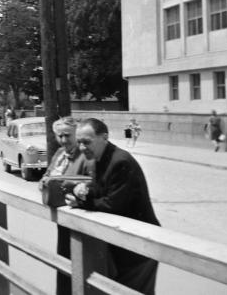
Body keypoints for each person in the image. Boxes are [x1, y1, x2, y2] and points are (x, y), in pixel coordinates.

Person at [66, 118, 160, 295]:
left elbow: (112, 204)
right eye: (79, 142)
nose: (82, 147)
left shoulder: (120, 161)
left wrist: (81, 202)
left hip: (140, 248)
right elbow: (102, 190)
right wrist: (83, 190)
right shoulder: (100, 158)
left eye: (87, 142)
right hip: (125, 244)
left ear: (104, 137)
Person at [39, 117, 93, 295]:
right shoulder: (60, 154)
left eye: (67, 135)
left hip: (80, 219)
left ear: (77, 134)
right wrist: (43, 182)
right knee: (64, 264)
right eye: (59, 136)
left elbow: (91, 184)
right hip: (62, 218)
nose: (63, 140)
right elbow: (47, 175)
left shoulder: (86, 155)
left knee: (82, 267)